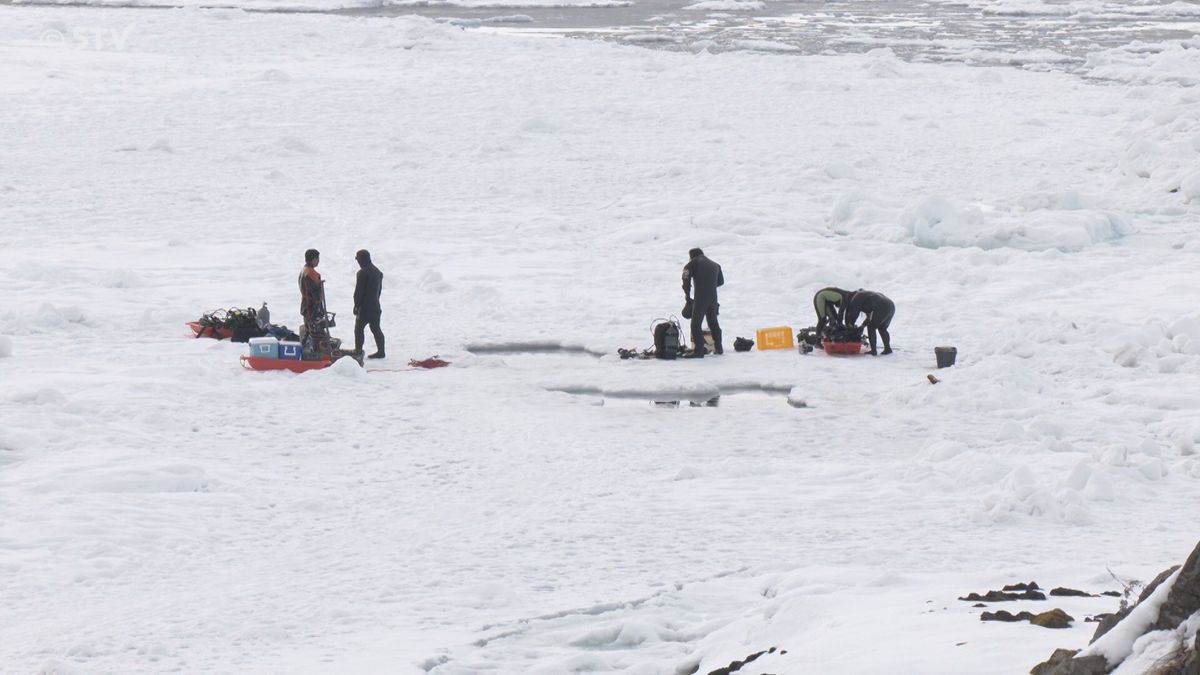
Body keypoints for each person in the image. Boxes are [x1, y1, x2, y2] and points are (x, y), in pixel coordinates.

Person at [681, 248, 724, 358]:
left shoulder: (691, 264)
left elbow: (686, 280)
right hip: (713, 298)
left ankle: (699, 350)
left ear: (691, 256)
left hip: (701, 297)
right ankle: (719, 347)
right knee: (713, 322)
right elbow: (720, 282)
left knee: (695, 323)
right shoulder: (716, 265)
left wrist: (688, 297)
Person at [352, 249, 385, 359]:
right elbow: (379, 291)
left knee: (359, 329)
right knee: (376, 328)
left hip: (365, 308)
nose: (358, 263)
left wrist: (356, 305)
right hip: (376, 306)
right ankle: (381, 351)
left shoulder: (362, 273)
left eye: (358, 260)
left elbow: (359, 292)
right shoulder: (378, 272)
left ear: (361, 260)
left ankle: (358, 352)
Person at [298, 248, 331, 356]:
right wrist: (318, 307)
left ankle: (303, 348)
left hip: (305, 305)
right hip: (311, 307)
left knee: (309, 330)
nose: (318, 261)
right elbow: (315, 294)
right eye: (317, 259)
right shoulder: (311, 273)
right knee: (316, 332)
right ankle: (319, 354)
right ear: (313, 260)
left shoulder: (304, 270)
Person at [842, 289, 894, 356]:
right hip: (890, 305)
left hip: (882, 306)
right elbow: (869, 318)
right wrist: (862, 326)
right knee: (882, 328)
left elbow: (853, 316)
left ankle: (873, 351)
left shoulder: (856, 299)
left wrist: (849, 327)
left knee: (871, 327)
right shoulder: (866, 296)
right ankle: (887, 349)